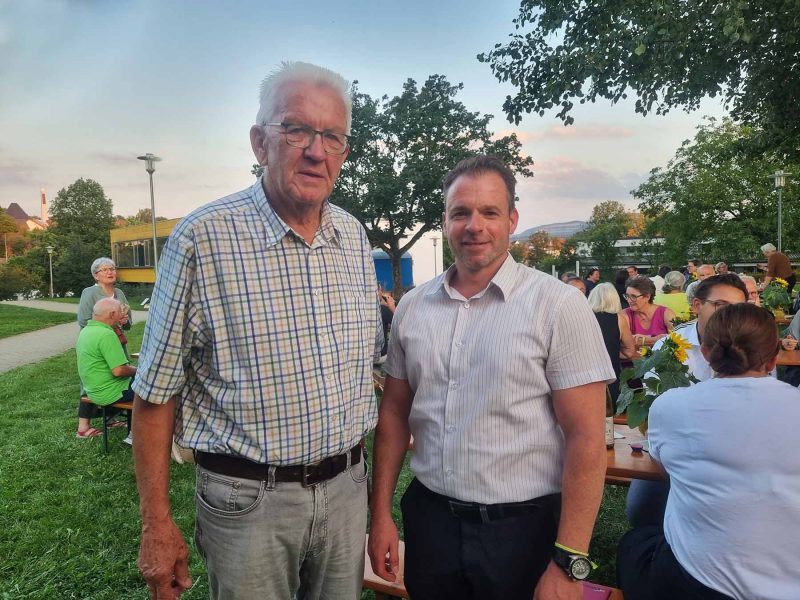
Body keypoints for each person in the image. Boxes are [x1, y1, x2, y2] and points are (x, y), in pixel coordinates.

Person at [131, 62, 383, 600]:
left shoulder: (354, 237)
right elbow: (154, 397)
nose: (315, 150)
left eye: (332, 136)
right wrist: (156, 525)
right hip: (246, 503)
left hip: (346, 491)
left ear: (343, 150)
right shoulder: (202, 239)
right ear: (259, 143)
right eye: (296, 129)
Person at [368, 155, 615, 600]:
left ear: (512, 220)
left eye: (490, 212)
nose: (474, 225)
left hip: (524, 532)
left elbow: (587, 439)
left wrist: (569, 560)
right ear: (444, 221)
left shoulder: (558, 306)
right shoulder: (413, 307)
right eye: (461, 212)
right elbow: (393, 415)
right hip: (431, 523)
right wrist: (380, 513)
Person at [618, 303, 800, 600]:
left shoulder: (671, 405)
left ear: (704, 353)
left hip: (696, 582)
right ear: (773, 359)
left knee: (636, 541)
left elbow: (664, 469)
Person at [625, 274, 749, 527]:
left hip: (733, 453)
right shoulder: (670, 346)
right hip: (676, 451)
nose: (729, 317)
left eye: (737, 310)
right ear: (696, 306)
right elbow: (653, 402)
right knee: (640, 512)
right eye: (721, 306)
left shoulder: (752, 349)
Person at [76, 298, 137, 438]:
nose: (122, 316)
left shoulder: (86, 331)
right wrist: (140, 371)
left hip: (93, 391)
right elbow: (119, 370)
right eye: (121, 313)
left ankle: (134, 431)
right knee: (156, 387)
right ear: (112, 315)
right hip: (111, 393)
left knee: (144, 381)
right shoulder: (106, 334)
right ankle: (136, 434)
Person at [588, 282, 637, 401]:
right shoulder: (619, 320)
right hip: (610, 380)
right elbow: (630, 352)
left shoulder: (581, 318)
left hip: (585, 381)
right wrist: (612, 351)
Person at [622, 276, 675, 350]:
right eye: (627, 296)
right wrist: (658, 338)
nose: (629, 300)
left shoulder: (666, 313)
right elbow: (622, 342)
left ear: (647, 296)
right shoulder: (624, 315)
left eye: (633, 296)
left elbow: (676, 340)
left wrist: (645, 340)